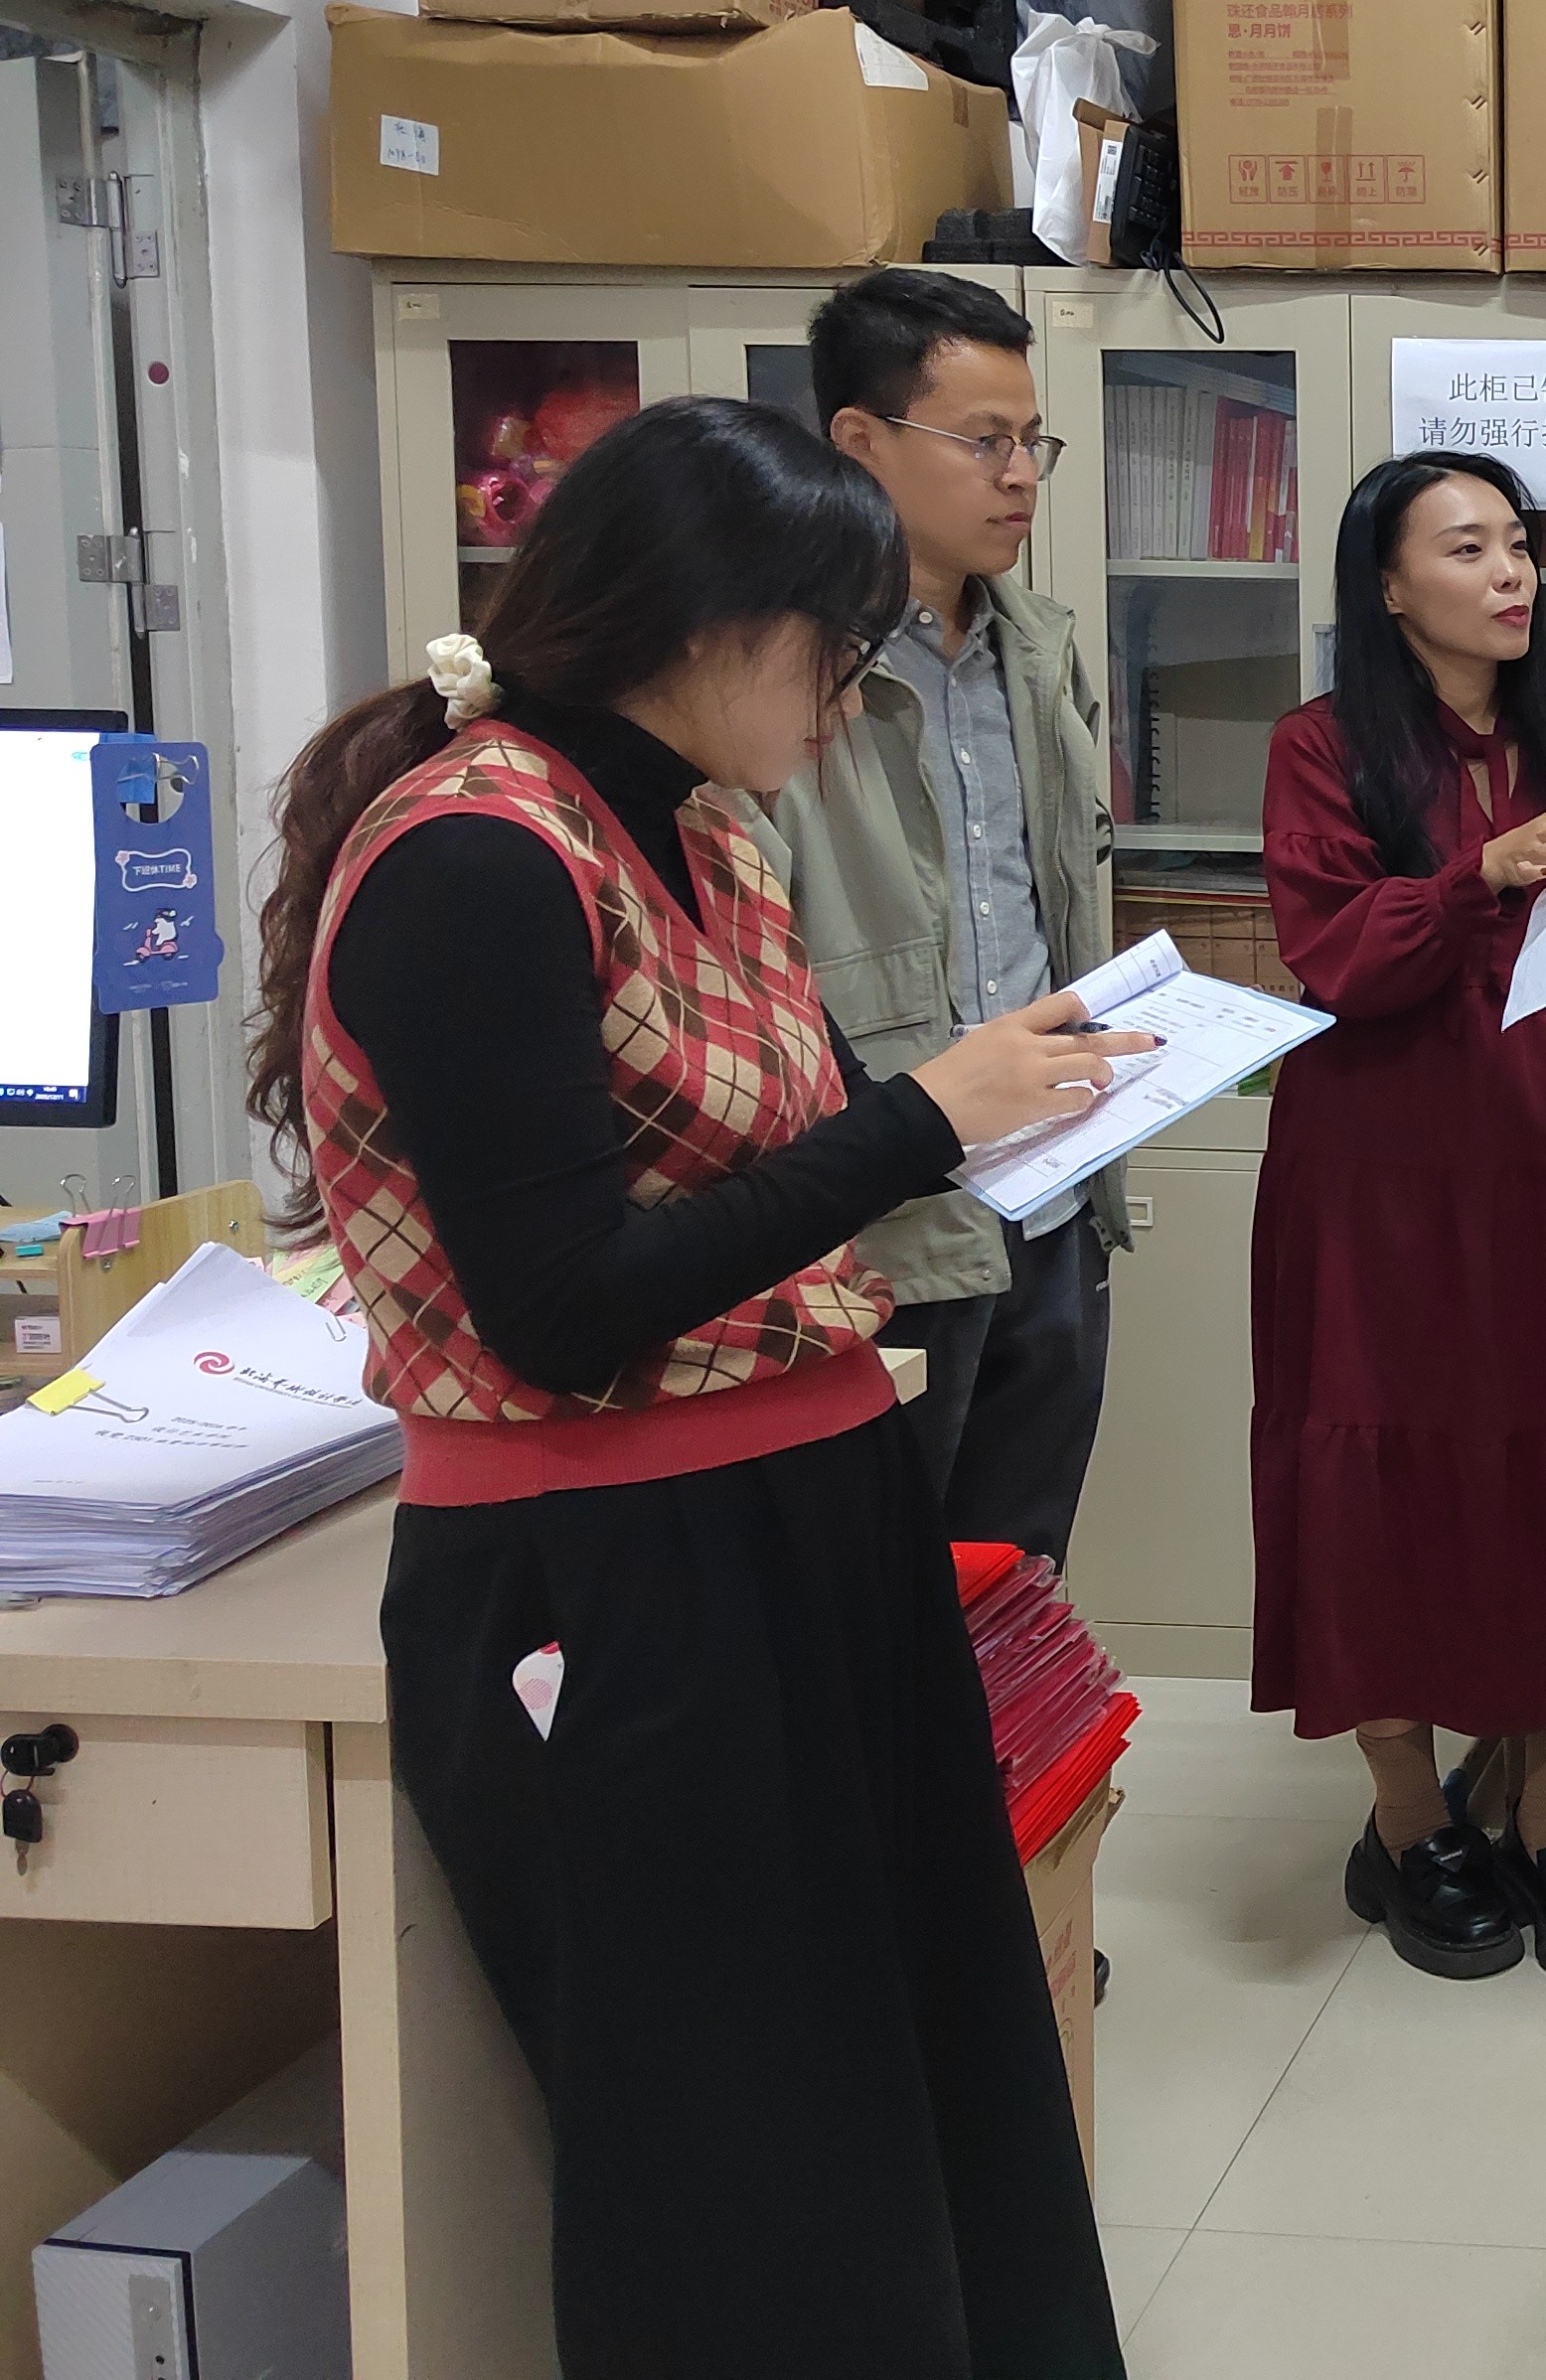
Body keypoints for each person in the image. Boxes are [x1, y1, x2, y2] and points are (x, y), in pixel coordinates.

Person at [247, 399, 1154, 2377]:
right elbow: (563, 1309)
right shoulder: (473, 860)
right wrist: (926, 1119)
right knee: (738, 2160)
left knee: (925, 2077)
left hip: (814, 1514)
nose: (848, 695)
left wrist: (1001, 1098)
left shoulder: (711, 831)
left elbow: (778, 1159)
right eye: (834, 648)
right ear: (703, 619)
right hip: (615, 1570)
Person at [1250, 449, 1546, 1991]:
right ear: (1386, 586)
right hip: (1383, 1184)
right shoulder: (1319, 747)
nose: (1511, 573)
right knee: (1380, 1485)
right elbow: (1334, 952)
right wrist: (1479, 874)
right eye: (1467, 547)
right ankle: (1410, 1824)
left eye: (1518, 544)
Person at [759, 268, 1126, 1565]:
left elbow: (1057, 897)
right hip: (883, 1220)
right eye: (983, 441)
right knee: (875, 1601)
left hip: (1055, 1189)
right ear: (860, 441)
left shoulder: (1038, 645)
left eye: (1034, 442)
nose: (1021, 476)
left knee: (1019, 1582)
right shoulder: (784, 665)